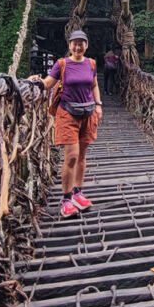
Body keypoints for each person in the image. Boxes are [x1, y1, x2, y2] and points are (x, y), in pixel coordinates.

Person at [28, 29, 103, 218]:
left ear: (86, 45)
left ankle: (78, 193)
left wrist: (98, 105)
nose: (78, 47)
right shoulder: (62, 64)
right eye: (74, 43)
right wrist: (34, 82)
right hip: (68, 113)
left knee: (82, 157)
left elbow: (94, 85)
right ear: (69, 46)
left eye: (81, 43)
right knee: (71, 156)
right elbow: (47, 84)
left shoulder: (91, 63)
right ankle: (66, 199)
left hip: (88, 113)